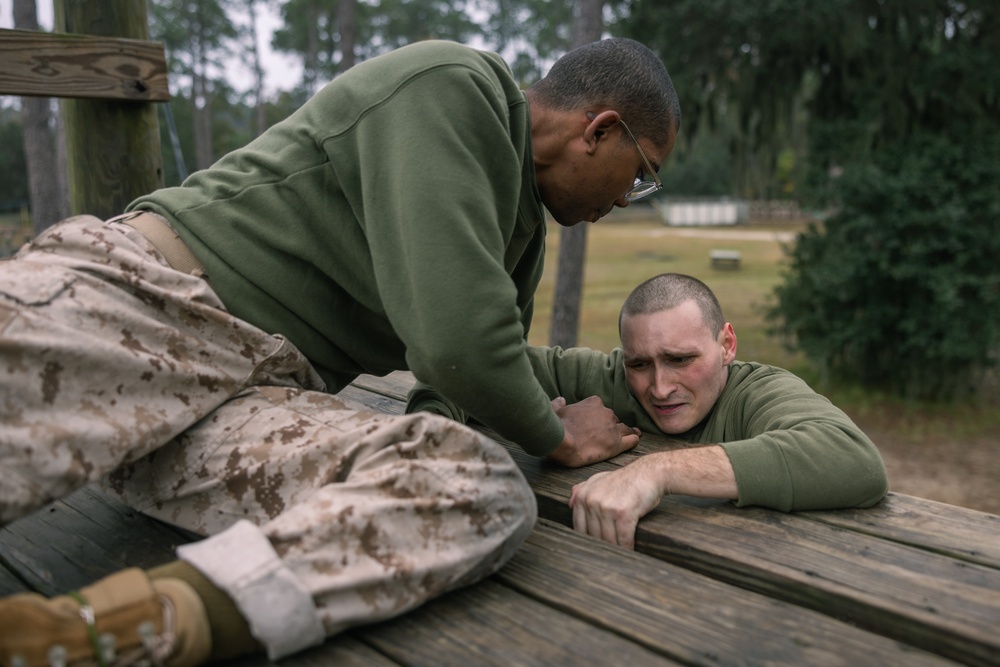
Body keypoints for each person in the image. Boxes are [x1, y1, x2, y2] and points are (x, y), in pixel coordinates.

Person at [0, 37, 679, 665]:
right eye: (642, 172)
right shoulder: (452, 87)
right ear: (600, 130)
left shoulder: (518, 229)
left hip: (251, 398)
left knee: (477, 485)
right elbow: (461, 348)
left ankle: (102, 632)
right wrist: (553, 431)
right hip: (147, 303)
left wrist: (499, 413)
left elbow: (457, 383)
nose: (627, 199)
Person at [409, 273, 889, 550]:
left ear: (727, 344)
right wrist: (425, 449)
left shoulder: (759, 393)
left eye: (682, 360)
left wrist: (656, 469)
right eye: (640, 364)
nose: (659, 387)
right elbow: (459, 368)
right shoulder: (607, 378)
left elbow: (852, 458)